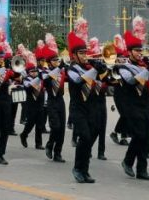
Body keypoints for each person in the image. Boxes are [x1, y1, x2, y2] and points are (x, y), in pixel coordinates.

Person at [117, 25, 149, 181]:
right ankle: (127, 161)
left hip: (145, 103)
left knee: (145, 137)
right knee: (138, 135)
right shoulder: (123, 67)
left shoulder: (143, 65)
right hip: (132, 104)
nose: (140, 53)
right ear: (130, 52)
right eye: (137, 51)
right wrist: (147, 71)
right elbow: (131, 81)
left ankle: (142, 170)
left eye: (141, 50)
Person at [66, 18, 100, 183]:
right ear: (74, 55)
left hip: (91, 108)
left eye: (85, 53)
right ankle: (77, 168)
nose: (85, 56)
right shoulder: (71, 69)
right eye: (81, 53)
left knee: (90, 139)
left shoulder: (88, 67)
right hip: (77, 109)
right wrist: (95, 70)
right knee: (85, 138)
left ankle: (85, 170)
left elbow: (100, 85)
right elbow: (80, 80)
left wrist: (103, 72)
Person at [40, 34, 66, 163]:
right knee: (55, 127)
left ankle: (58, 153)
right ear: (49, 62)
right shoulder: (45, 71)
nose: (57, 62)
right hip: (51, 102)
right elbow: (47, 79)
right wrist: (60, 68)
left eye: (57, 60)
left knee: (61, 130)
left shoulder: (61, 72)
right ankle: (50, 144)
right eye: (54, 61)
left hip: (60, 101)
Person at [19, 55, 46, 151]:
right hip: (31, 105)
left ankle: (38, 144)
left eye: (35, 71)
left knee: (39, 124)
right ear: (28, 73)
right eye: (32, 71)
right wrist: (39, 78)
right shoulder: (26, 79)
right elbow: (29, 86)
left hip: (40, 103)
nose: (34, 73)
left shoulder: (40, 78)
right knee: (30, 123)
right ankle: (23, 135)